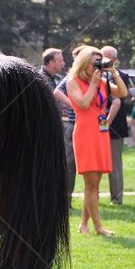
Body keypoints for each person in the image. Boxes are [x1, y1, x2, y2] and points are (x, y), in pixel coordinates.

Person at [61, 46, 127, 236]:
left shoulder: (102, 81)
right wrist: (93, 84)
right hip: (85, 134)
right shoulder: (72, 81)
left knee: (95, 183)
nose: (97, 66)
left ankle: (83, 225)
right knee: (91, 184)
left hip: (101, 133)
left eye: (100, 61)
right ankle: (98, 227)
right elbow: (82, 103)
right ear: (84, 62)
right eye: (94, 62)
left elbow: (122, 93)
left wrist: (113, 71)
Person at [101, 46, 130, 205]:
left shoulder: (122, 77)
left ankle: (116, 198)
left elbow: (120, 97)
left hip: (115, 127)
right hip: (95, 125)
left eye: (105, 58)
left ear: (114, 60)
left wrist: (112, 73)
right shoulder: (94, 75)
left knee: (114, 165)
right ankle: (94, 197)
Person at [49, 46, 78, 204]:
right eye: (60, 60)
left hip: (60, 125)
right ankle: (63, 198)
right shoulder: (69, 78)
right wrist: (75, 105)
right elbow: (56, 94)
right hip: (64, 126)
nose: (64, 63)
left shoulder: (56, 78)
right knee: (68, 162)